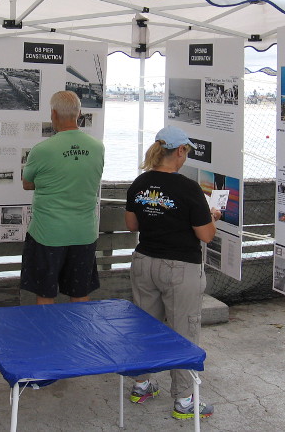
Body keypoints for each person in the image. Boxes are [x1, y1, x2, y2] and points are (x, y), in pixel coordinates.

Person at [124, 125, 221, 420]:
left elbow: (132, 226)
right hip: (180, 268)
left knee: (145, 328)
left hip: (144, 262)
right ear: (179, 151)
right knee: (184, 332)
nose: (186, 157)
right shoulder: (188, 188)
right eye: (186, 152)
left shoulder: (140, 183)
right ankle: (184, 401)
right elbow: (205, 235)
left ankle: (142, 384)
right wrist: (212, 216)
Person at [20, 90, 105, 305]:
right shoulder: (97, 148)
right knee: (79, 294)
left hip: (48, 234)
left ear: (54, 114)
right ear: (78, 114)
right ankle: (77, 338)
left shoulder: (42, 150)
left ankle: (47, 338)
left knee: (46, 295)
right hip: (84, 233)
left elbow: (27, 183)